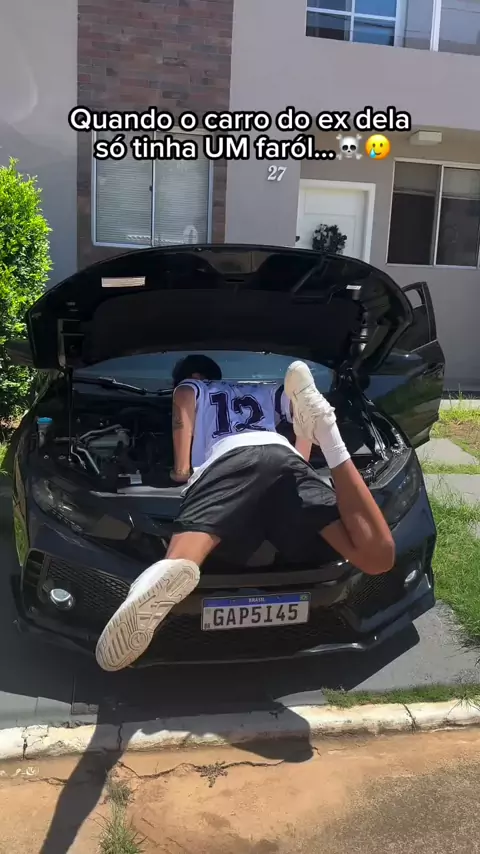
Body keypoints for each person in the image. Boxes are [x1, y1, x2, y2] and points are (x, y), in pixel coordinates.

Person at [95, 358, 395, 672]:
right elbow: (300, 412)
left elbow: (183, 415)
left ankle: (154, 582)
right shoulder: (267, 389)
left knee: (182, 560)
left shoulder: (191, 387)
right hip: (284, 457)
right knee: (377, 559)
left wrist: (180, 471)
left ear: (191, 376)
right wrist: (303, 458)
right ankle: (331, 435)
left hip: (230, 461)